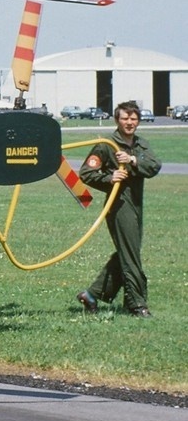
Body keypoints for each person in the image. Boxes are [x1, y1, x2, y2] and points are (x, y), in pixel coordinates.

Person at [76, 100, 161, 317]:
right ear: (117, 120)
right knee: (130, 254)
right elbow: (86, 173)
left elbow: (154, 165)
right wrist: (109, 177)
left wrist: (132, 159)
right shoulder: (107, 145)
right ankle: (136, 304)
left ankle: (92, 294)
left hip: (136, 204)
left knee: (127, 252)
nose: (129, 122)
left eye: (133, 118)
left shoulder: (140, 144)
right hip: (118, 205)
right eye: (125, 118)